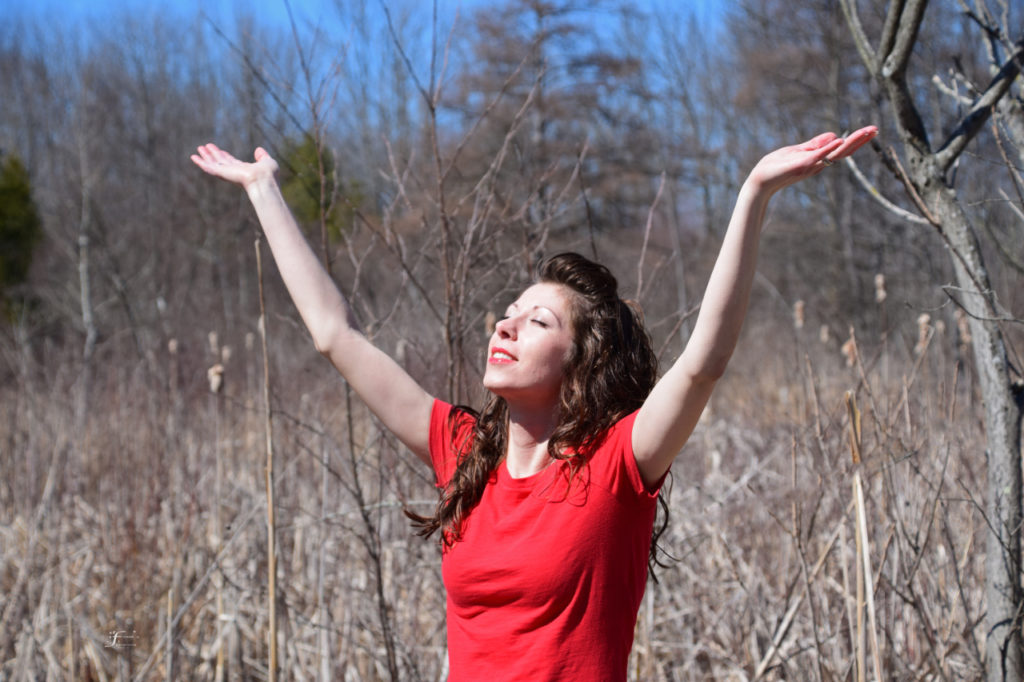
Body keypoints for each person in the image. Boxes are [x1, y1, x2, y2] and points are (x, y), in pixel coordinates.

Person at [191, 125, 878, 680]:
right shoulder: (461, 452)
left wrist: (754, 192)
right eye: (509, 313)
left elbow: (703, 365)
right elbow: (333, 334)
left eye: (538, 322)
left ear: (580, 358)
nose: (505, 325)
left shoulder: (617, 467)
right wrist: (262, 190)